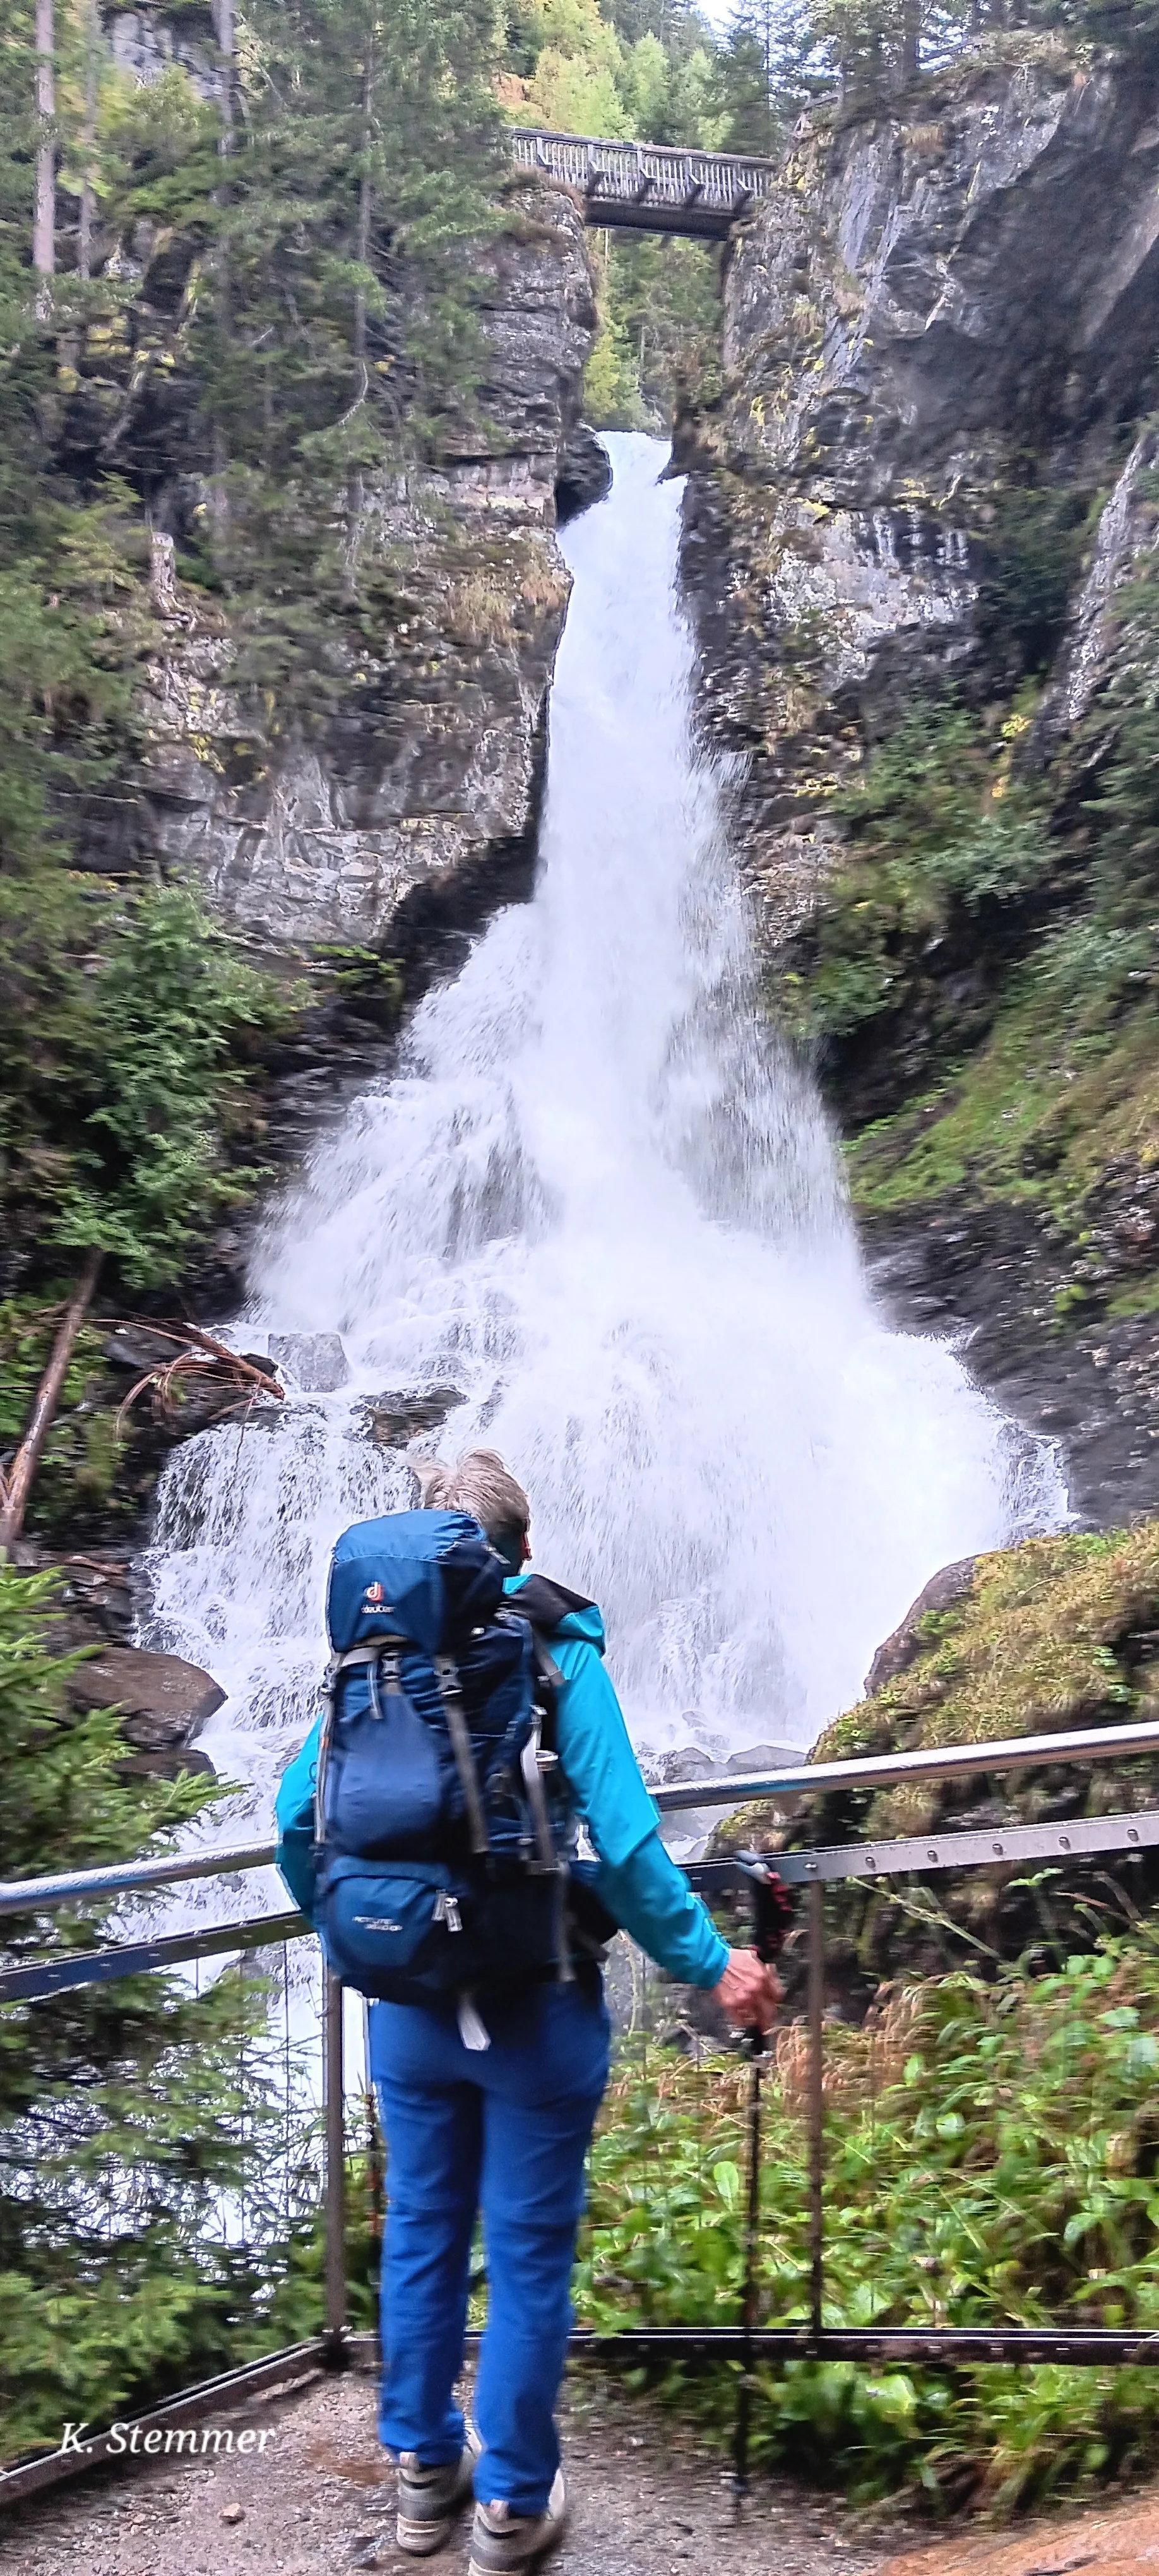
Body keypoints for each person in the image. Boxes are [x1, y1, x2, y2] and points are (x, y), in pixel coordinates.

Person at [276, 1448, 780, 2573]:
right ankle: (509, 2510)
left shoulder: (373, 1660)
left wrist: (369, 1930)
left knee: (420, 2236)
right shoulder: (555, 1652)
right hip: (531, 2007)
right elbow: (634, 1847)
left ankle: (420, 2480)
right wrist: (712, 1966)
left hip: (406, 2008)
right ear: (519, 1549)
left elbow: (294, 1826)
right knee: (529, 2255)